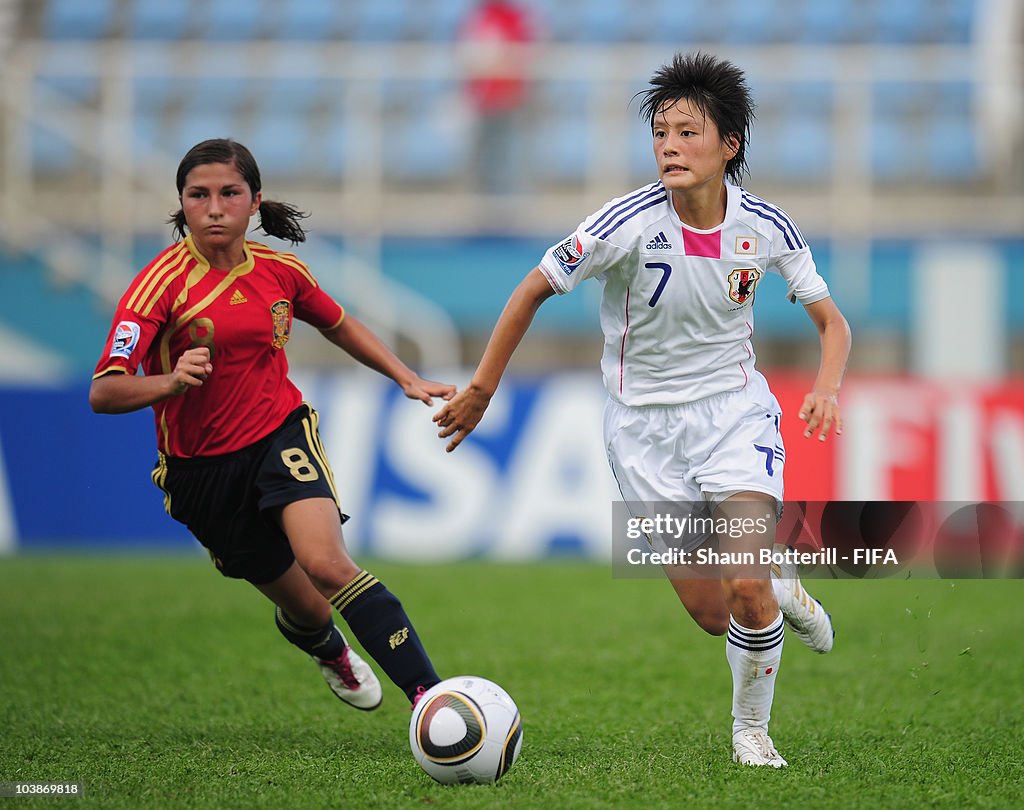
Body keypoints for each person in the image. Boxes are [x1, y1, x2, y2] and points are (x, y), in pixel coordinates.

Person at [434, 52, 852, 767]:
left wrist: (826, 386)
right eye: (660, 132)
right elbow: (533, 287)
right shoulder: (622, 224)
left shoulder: (767, 227)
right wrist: (483, 387)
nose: (669, 145)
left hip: (733, 413)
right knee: (715, 613)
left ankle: (751, 729)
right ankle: (785, 581)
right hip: (641, 431)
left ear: (730, 145)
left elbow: (832, 324)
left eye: (688, 132)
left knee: (744, 584)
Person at [90, 138, 453, 713]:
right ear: (181, 203)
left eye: (229, 193)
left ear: (255, 201)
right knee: (309, 609)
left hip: (279, 434)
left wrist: (404, 376)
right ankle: (327, 648)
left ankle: (432, 700)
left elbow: (338, 323)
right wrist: (170, 382)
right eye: (198, 194)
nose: (214, 207)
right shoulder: (157, 285)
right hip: (200, 473)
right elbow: (104, 391)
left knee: (329, 565)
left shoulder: (281, 272)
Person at [456, 0, 534, 193]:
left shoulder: (513, 16)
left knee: (504, 149)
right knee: (482, 149)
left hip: (507, 95)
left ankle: (505, 195)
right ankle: (482, 193)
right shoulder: (481, 15)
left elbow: (523, 54)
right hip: (483, 96)